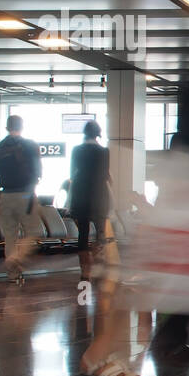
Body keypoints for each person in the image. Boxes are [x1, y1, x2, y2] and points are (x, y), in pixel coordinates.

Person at [0, 115, 42, 284]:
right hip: (25, 194)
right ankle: (17, 258)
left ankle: (12, 275)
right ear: (22, 126)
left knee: (10, 236)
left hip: (5, 195)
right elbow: (38, 171)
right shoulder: (30, 145)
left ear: (7, 127)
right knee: (33, 231)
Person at [67, 120, 110, 282]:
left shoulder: (76, 150)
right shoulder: (104, 151)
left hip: (81, 196)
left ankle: (85, 272)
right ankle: (99, 268)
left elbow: (72, 173)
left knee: (83, 235)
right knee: (100, 233)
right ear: (97, 133)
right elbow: (105, 175)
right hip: (99, 196)